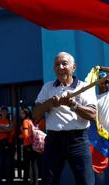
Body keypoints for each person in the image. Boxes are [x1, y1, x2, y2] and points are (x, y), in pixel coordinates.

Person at [33, 52, 97, 185]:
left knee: (86, 182)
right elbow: (35, 115)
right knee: (49, 181)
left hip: (78, 140)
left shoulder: (84, 87)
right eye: (57, 64)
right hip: (53, 141)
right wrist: (50, 102)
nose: (60, 67)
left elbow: (93, 115)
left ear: (74, 67)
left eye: (64, 63)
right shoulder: (48, 88)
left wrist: (73, 104)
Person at [0, 106, 15, 185]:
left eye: (5, 112)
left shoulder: (10, 121)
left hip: (8, 143)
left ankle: (8, 181)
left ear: (7, 113)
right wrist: (7, 130)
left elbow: (12, 129)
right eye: (2, 111)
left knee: (8, 163)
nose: (4, 113)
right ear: (0, 113)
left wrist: (1, 129)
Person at [20, 107, 39, 185]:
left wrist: (20, 136)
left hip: (27, 146)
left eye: (22, 113)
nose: (21, 115)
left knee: (26, 165)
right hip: (33, 145)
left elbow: (25, 135)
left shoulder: (25, 121)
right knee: (34, 165)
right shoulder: (31, 121)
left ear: (26, 114)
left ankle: (25, 181)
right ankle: (35, 182)